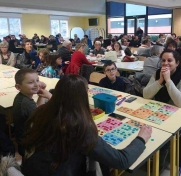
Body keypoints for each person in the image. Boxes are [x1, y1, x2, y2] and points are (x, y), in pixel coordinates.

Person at [21, 75, 152, 176]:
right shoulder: (79, 127)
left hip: (30, 169)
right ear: (82, 97)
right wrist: (141, 138)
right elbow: (121, 161)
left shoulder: (39, 111)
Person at [12, 68, 52, 156]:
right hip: (29, 146)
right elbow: (43, 120)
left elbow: (38, 110)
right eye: (30, 82)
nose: (36, 84)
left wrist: (42, 93)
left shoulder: (22, 97)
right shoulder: (26, 104)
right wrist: (51, 97)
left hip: (26, 140)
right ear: (18, 87)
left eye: (37, 80)